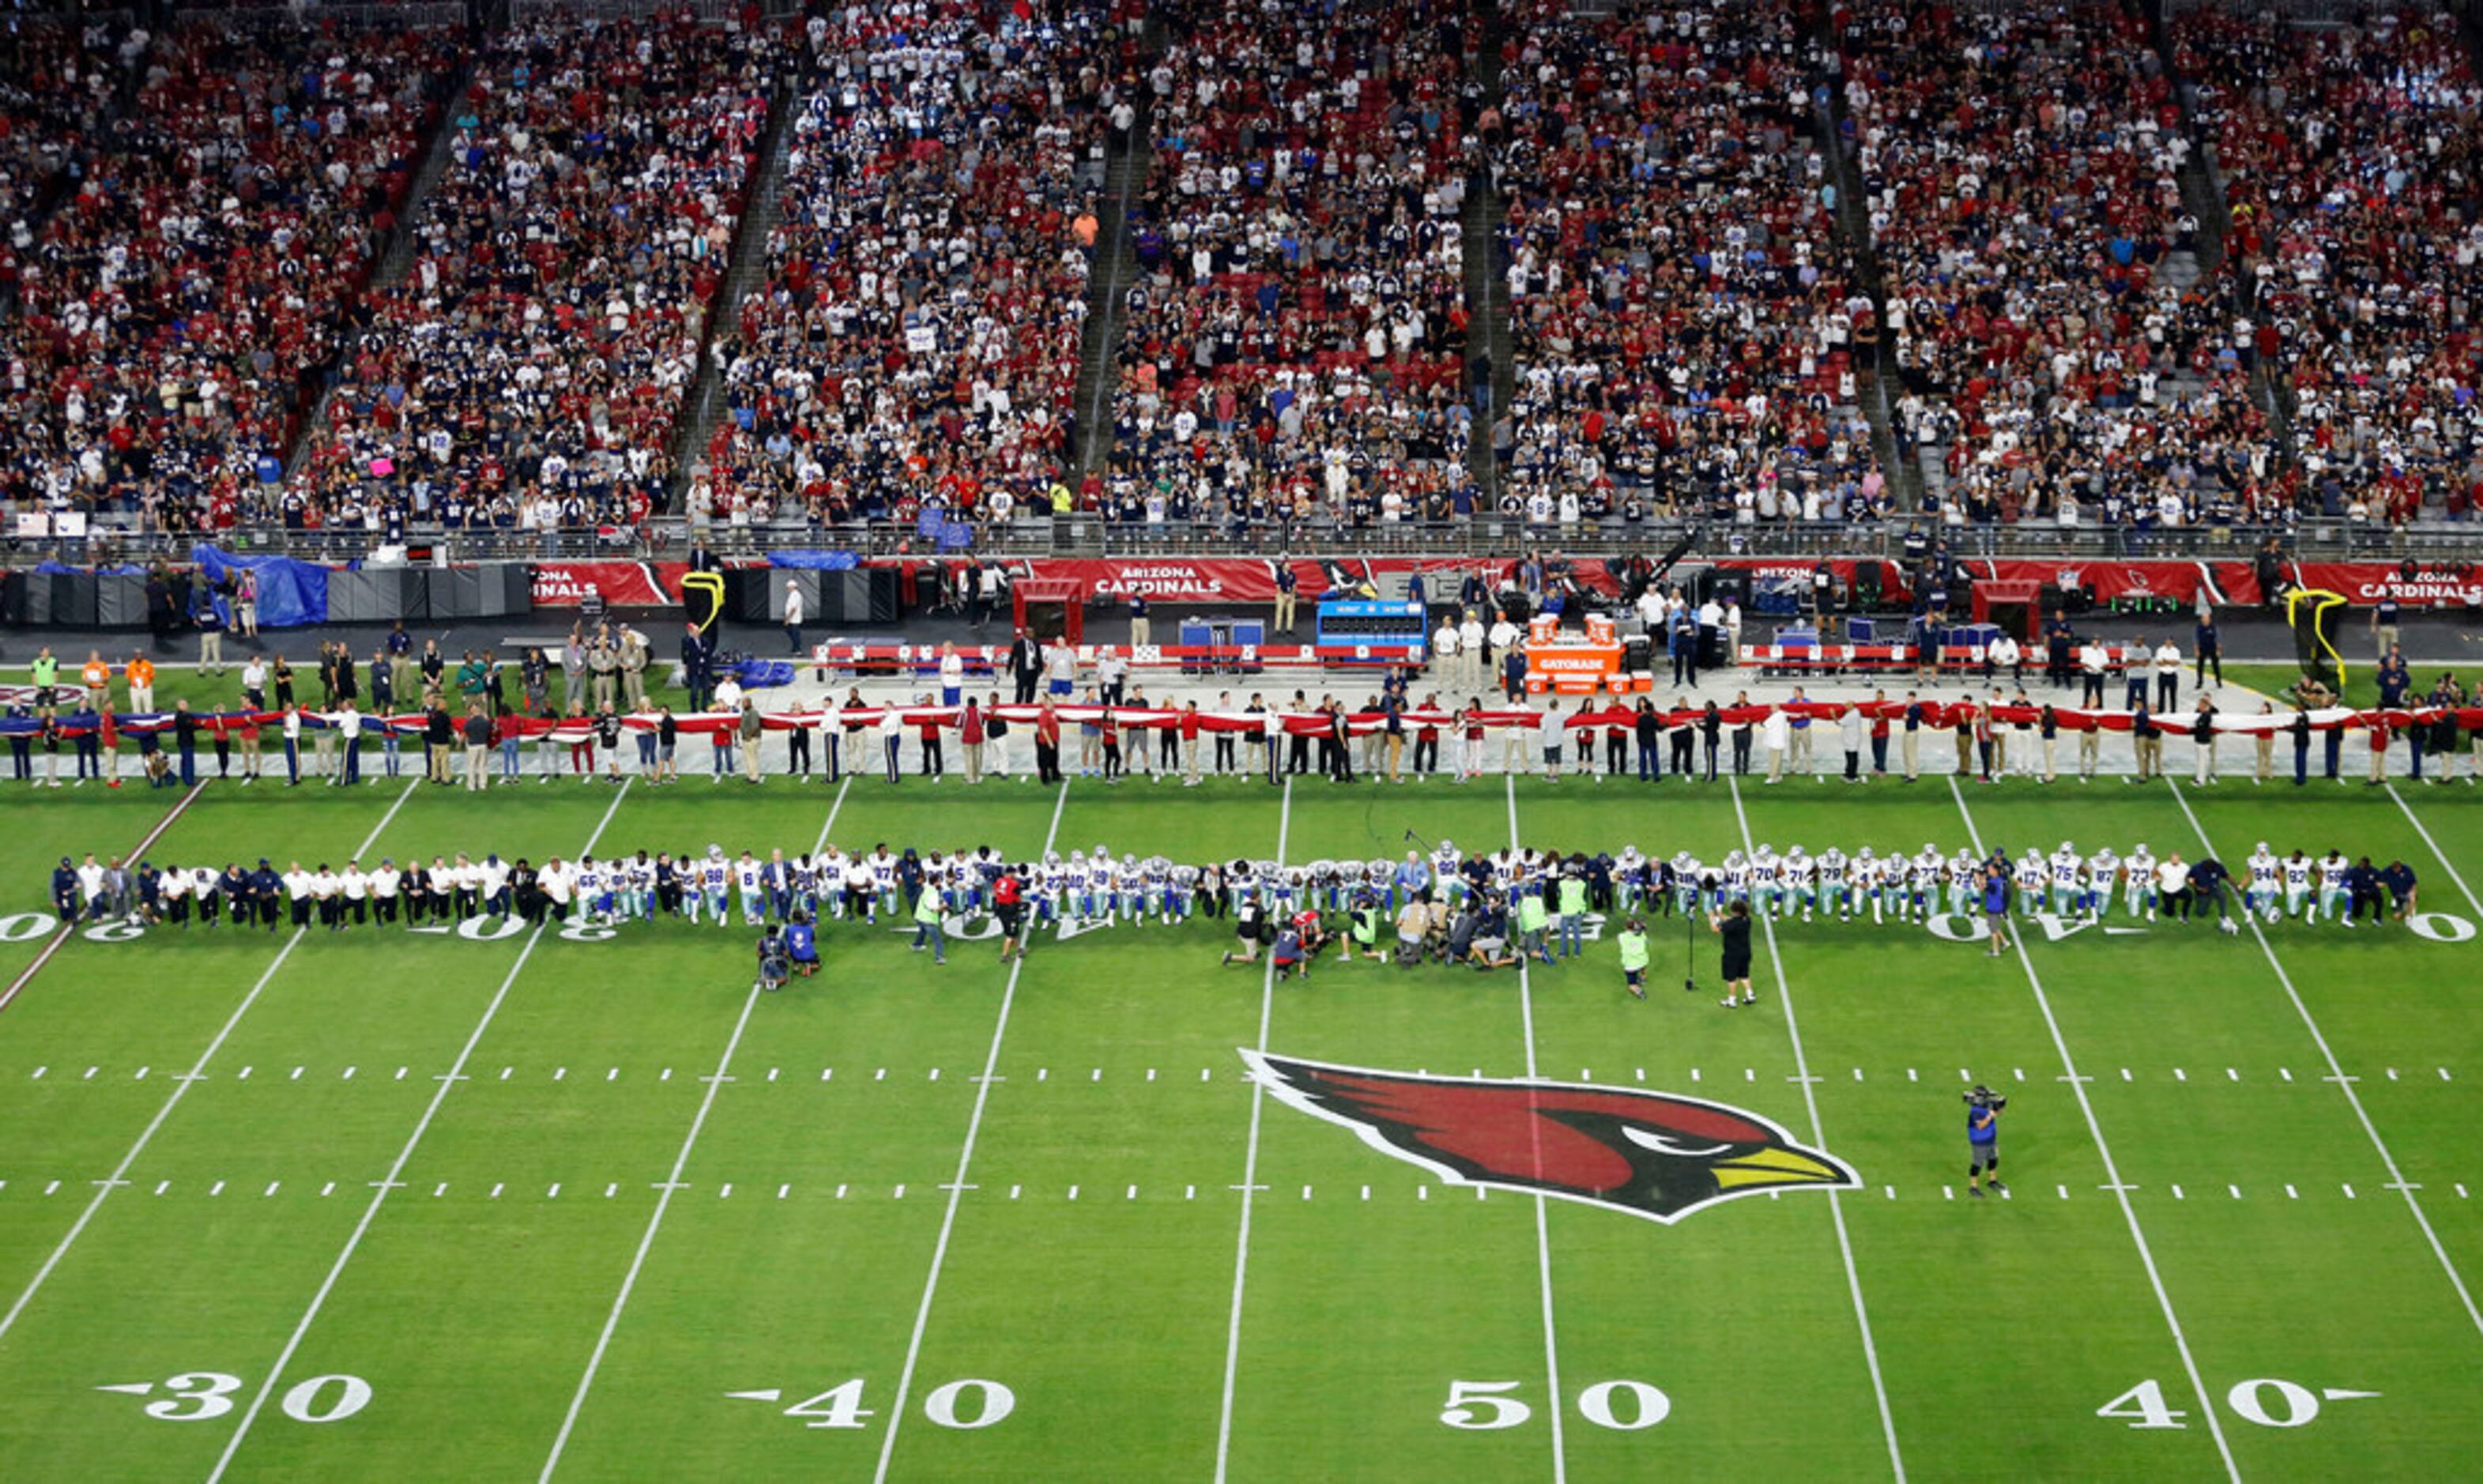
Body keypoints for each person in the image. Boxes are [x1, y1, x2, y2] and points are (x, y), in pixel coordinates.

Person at [1710, 898, 1754, 1008]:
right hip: (1745, 953)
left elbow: (1715, 929)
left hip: (1732, 955)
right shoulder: (1747, 920)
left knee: (1731, 978)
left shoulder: (1731, 925)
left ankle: (1732, 1000)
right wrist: (1720, 915)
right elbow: (1729, 920)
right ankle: (1750, 995)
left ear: (1735, 911)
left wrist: (1711, 917)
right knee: (1744, 975)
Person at [1966, 1090, 2004, 1199]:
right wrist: (1990, 1116)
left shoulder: (1986, 1106)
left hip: (1991, 1139)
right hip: (1980, 1142)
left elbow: (2000, 1114)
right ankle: (1973, 1187)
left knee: (1993, 1160)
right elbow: (1981, 1126)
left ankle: (1992, 1181)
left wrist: (1999, 1108)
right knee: (1977, 1164)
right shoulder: (1975, 1111)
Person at [910, 882, 949, 965]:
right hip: (928, 921)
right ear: (935, 883)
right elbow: (935, 909)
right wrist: (944, 907)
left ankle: (916, 945)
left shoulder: (926, 890)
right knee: (937, 940)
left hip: (919, 918)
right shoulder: (934, 894)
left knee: (923, 930)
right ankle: (939, 958)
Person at [1980, 861, 2011, 957]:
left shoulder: (1993, 882)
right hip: (1998, 906)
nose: (1988, 871)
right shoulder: (1999, 880)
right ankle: (2005, 942)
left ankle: (1995, 951)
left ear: (1995, 871)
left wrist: (1982, 880)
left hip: (1993, 907)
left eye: (1990, 869)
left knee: (1993, 930)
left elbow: (1983, 888)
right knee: (1993, 926)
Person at [1616, 916, 1649, 1000]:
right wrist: (1641, 929)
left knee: (1631, 986)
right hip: (1642, 961)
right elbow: (1646, 942)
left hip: (1630, 965)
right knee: (1643, 967)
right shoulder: (1642, 935)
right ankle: (1643, 979)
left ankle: (1639, 992)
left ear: (1625, 926)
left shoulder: (1621, 936)